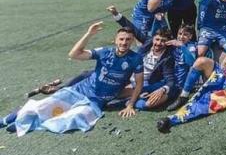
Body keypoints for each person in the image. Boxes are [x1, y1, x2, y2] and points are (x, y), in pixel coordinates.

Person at [1, 22, 143, 136]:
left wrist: (130, 104)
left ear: (131, 41)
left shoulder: (135, 59)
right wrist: (89, 34)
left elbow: (139, 84)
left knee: (73, 119)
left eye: (128, 40)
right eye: (121, 39)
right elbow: (74, 54)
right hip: (79, 90)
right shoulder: (105, 52)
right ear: (115, 40)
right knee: (45, 105)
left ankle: (30, 124)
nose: (124, 42)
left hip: (96, 101)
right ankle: (6, 120)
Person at [109, 8, 176, 110]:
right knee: (108, 85)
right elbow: (132, 29)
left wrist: (163, 89)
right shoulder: (148, 43)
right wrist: (116, 14)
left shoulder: (167, 57)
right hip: (129, 76)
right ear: (153, 38)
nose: (158, 43)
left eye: (163, 41)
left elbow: (170, 80)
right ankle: (131, 96)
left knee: (147, 104)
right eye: (157, 39)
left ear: (167, 42)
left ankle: (130, 100)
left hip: (146, 84)